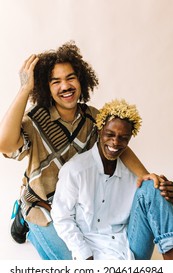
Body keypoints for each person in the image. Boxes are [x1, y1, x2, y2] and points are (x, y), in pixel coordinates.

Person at [0, 42, 171, 260]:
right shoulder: (36, 120)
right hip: (44, 205)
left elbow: (118, 147)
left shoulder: (93, 117)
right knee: (71, 266)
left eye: (71, 78)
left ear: (81, 80)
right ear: (46, 87)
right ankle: (25, 220)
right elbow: (4, 144)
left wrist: (145, 175)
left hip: (78, 205)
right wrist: (25, 89)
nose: (65, 86)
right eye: (56, 82)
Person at [51, 99, 173, 260]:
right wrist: (84, 256)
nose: (115, 142)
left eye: (123, 138)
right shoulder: (75, 170)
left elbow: (152, 204)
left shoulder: (132, 173)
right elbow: (62, 217)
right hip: (93, 249)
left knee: (153, 186)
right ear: (99, 130)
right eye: (110, 134)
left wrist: (165, 194)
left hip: (129, 246)